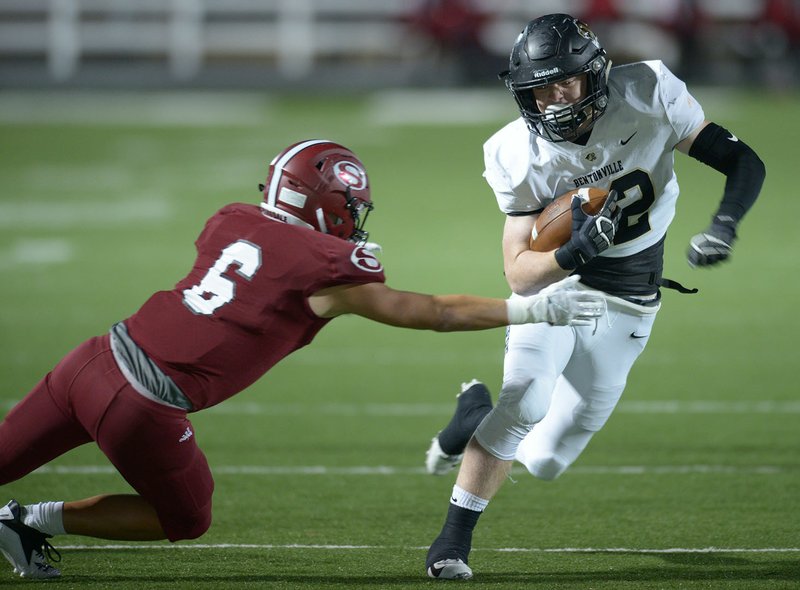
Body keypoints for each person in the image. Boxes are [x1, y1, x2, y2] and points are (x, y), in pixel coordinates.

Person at [0, 139, 606, 580]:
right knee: (186, 519)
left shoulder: (230, 220)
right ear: (329, 199)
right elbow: (435, 311)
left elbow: (254, 263)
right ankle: (28, 520)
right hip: (143, 406)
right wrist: (532, 312)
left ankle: (15, 519)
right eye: (351, 204)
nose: (355, 218)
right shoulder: (329, 271)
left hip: (89, 360)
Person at [423, 14, 766, 580]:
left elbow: (741, 159)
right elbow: (518, 274)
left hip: (633, 297)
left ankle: (471, 417)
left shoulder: (650, 91)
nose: (554, 99)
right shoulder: (514, 151)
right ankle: (452, 542)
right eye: (540, 86)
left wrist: (723, 226)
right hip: (559, 291)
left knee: (550, 458)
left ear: (595, 75)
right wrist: (570, 254)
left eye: (565, 82)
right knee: (526, 403)